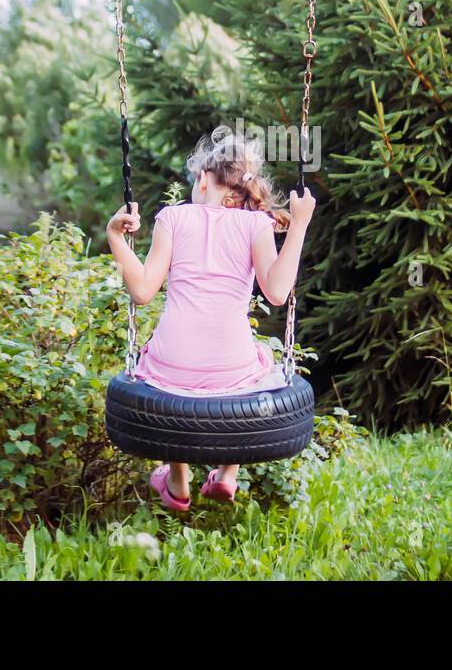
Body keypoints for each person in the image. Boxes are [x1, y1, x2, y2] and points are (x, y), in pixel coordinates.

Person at [105, 125, 316, 511]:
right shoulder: (257, 225)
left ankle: (178, 478)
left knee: (161, 360)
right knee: (260, 362)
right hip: (230, 372)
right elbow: (277, 293)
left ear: (203, 178)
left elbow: (143, 291)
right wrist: (299, 223)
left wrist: (116, 238)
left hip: (171, 368)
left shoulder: (172, 217)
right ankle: (227, 474)